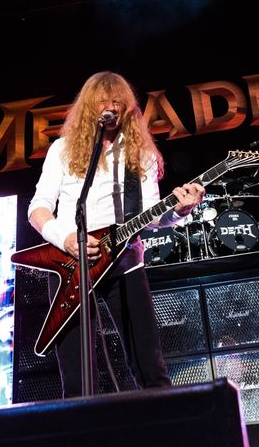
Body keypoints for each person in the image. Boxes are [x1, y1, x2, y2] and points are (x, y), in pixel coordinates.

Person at [27, 71, 205, 397]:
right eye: (103, 102)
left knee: (150, 367)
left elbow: (149, 216)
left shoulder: (140, 155)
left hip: (125, 266)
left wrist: (178, 211)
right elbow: (38, 208)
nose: (110, 108)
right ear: (90, 107)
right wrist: (65, 237)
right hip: (70, 264)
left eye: (118, 103)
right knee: (77, 378)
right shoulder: (63, 150)